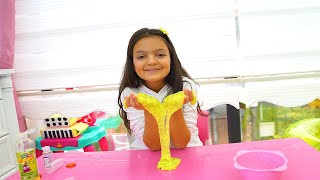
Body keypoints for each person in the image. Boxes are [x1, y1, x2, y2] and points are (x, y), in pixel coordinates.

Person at [117, 27, 204, 150]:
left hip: (188, 153)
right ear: (132, 63)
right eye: (141, 57)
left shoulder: (185, 86)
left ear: (171, 58)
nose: (151, 61)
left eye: (160, 55)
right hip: (146, 156)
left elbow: (181, 143)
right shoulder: (130, 93)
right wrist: (148, 108)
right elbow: (155, 146)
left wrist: (175, 105)